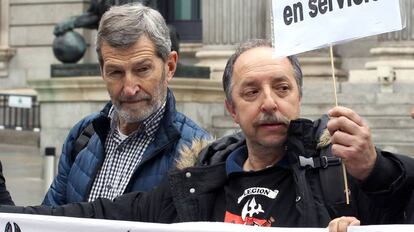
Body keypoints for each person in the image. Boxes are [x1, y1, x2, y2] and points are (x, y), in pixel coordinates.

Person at [0, 39, 413, 230]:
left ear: (299, 98)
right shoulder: (197, 181)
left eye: (282, 88)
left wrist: (375, 170)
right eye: (251, 92)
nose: (269, 102)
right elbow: (96, 216)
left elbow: (400, 205)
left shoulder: (338, 177)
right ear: (232, 109)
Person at [42, 4, 210, 206]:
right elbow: (49, 217)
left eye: (142, 69)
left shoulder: (199, 151)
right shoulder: (82, 135)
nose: (129, 88)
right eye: (116, 72)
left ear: (170, 66)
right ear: (102, 71)